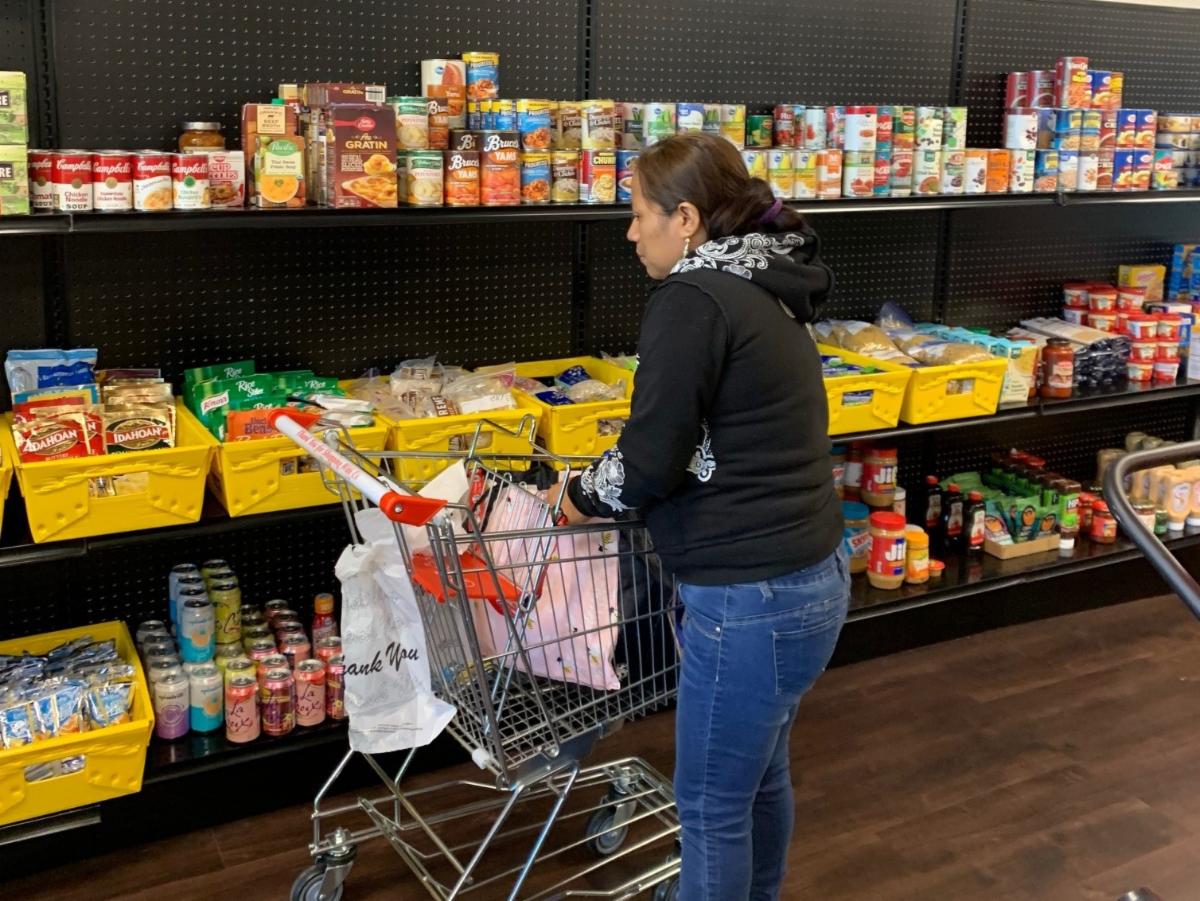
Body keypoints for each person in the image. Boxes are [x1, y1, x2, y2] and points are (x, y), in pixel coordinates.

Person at [553, 132, 850, 900]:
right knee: (759, 778)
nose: (630, 233)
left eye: (638, 213)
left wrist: (574, 497)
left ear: (684, 218)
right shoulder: (765, 280)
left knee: (711, 807)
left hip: (749, 594)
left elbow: (649, 459)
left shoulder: (693, 297)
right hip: (812, 576)